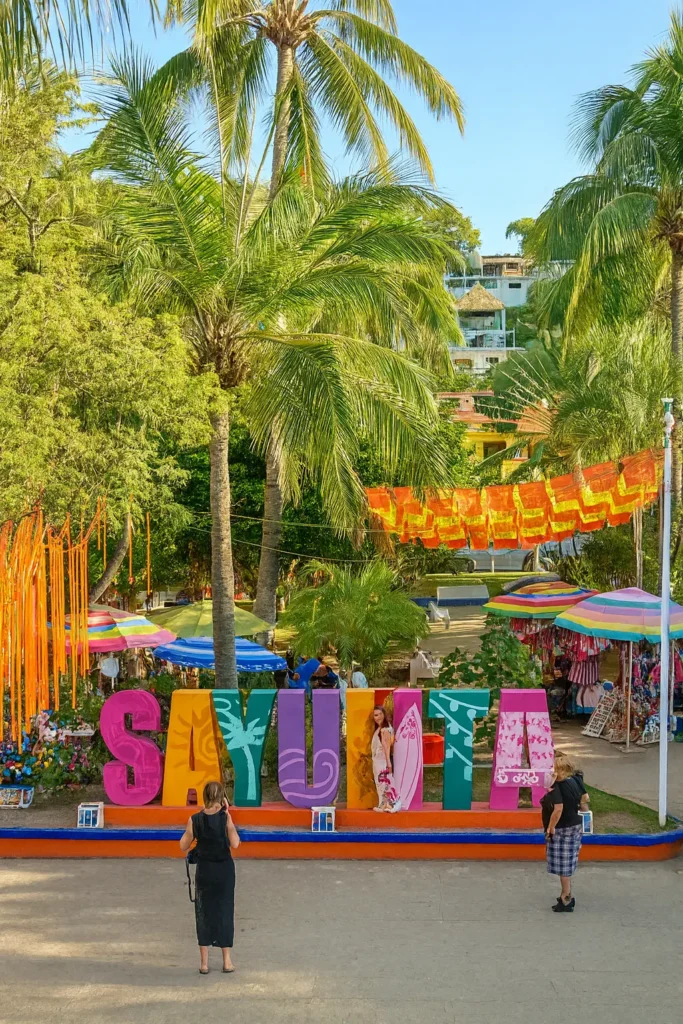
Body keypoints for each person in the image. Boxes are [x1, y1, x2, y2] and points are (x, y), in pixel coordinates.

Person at [180, 780, 241, 974]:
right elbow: (235, 843)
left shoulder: (195, 819)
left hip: (205, 871)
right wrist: (228, 816)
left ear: (204, 796)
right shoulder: (225, 818)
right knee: (225, 910)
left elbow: (183, 845)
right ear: (222, 798)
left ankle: (204, 963)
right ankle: (227, 961)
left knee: (203, 912)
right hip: (224, 871)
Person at [541, 751, 590, 913]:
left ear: (560, 770)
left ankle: (566, 898)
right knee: (569, 860)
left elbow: (558, 810)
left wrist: (550, 828)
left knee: (563, 865)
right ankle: (566, 895)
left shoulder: (558, 787)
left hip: (562, 828)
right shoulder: (576, 780)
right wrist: (586, 819)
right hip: (575, 825)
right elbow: (585, 800)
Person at [371, 706, 401, 813]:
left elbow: (387, 747)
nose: (378, 717)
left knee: (384, 782)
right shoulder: (380, 728)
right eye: (376, 715)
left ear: (384, 714)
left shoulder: (385, 729)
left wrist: (388, 763)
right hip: (378, 760)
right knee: (381, 783)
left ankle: (393, 803)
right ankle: (384, 804)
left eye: (380, 714)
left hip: (382, 760)